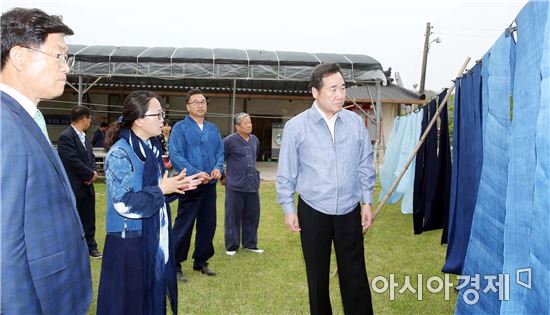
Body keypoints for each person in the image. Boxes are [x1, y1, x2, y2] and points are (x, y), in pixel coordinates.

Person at [0, 8, 92, 314]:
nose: (65, 67)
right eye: (58, 55)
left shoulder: (26, 118)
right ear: (19, 57)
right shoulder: (4, 124)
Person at [276, 63, 376, 315]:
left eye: (342, 88)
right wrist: (288, 208)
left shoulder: (355, 123)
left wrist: (366, 201)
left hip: (349, 210)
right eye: (333, 89)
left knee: (355, 276)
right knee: (317, 277)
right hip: (313, 209)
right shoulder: (296, 127)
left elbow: (365, 164)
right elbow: (286, 172)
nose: (340, 95)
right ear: (315, 92)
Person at [96, 90, 200, 315]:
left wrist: (176, 187)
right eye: (158, 115)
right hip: (129, 242)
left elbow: (156, 193)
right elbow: (124, 204)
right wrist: (162, 189)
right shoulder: (120, 154)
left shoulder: (152, 149)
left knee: (151, 299)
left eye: (163, 114)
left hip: (153, 235)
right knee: (129, 304)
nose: (163, 120)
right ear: (139, 120)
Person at [169, 88, 224, 281]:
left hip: (209, 185)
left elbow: (220, 152)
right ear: (187, 106)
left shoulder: (212, 129)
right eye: (196, 102)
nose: (200, 105)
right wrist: (195, 172)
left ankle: (201, 261)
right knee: (184, 225)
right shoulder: (180, 128)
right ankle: (174, 264)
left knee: (207, 224)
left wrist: (218, 168)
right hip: (190, 184)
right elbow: (175, 155)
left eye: (203, 102)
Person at [58, 105, 102, 258]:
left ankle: (91, 246)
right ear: (83, 118)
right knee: (73, 219)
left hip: (87, 186)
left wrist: (93, 171)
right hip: (74, 185)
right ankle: (73, 248)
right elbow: (71, 161)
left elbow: (90, 158)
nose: (90, 121)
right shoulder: (66, 137)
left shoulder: (84, 137)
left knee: (89, 218)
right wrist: (89, 174)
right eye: (89, 118)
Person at [222, 112, 263, 256]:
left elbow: (254, 157)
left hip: (252, 184)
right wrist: (223, 177)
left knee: (252, 215)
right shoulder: (228, 141)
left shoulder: (255, 140)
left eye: (250, 122)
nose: (250, 125)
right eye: (246, 123)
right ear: (237, 126)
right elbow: (220, 159)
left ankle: (250, 244)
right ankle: (232, 246)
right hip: (235, 184)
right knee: (233, 216)